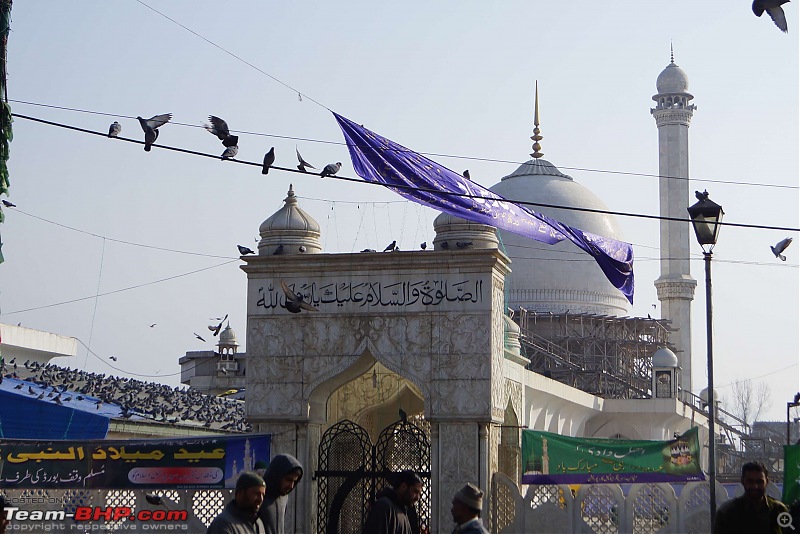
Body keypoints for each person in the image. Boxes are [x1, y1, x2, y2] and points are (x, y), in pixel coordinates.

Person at [714, 461, 789, 534]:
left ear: (767, 481)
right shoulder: (727, 513)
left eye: (760, 482)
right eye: (750, 481)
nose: (755, 486)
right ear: (742, 481)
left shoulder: (779, 510)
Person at [363, 470, 423, 534]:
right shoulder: (383, 507)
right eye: (415, 492)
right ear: (404, 486)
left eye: (419, 494)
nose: (417, 497)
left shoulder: (403, 513)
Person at [258, 454, 304, 534]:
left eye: (294, 481)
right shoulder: (258, 496)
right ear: (278, 476)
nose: (291, 485)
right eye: (288, 480)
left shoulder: (284, 497)